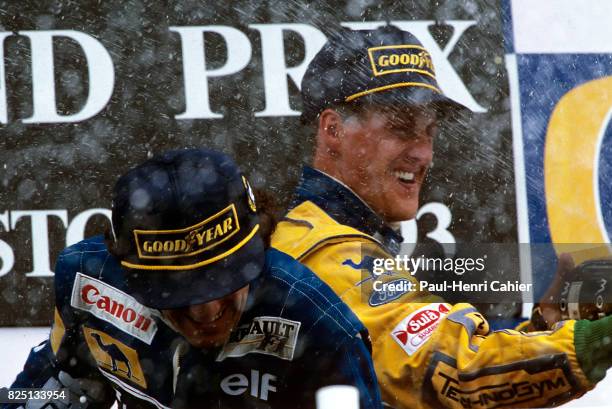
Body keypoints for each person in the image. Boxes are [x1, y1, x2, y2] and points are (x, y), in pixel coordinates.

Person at [271, 26, 612, 408]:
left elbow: (434, 367)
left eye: (429, 132)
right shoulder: (323, 251)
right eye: (401, 129)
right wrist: (595, 340)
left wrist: (546, 325)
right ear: (333, 130)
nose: (422, 153)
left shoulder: (332, 234)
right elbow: (456, 373)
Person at [6, 149, 382, 409]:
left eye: (223, 282)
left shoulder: (320, 328)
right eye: (179, 291)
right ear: (130, 275)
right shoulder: (87, 284)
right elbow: (52, 388)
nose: (206, 310)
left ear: (261, 246)